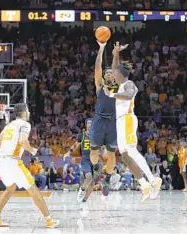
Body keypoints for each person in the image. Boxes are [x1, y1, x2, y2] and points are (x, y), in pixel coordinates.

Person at [0, 103, 60, 228]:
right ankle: (49, 220)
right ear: (23, 112)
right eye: (28, 110)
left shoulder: (9, 125)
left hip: (1, 161)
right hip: (13, 161)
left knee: (11, 188)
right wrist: (32, 150)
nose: (29, 113)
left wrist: (5, 153)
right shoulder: (25, 124)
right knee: (33, 189)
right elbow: (22, 141)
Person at [104, 53, 162, 202]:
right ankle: (144, 184)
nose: (113, 72)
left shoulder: (129, 84)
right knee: (125, 156)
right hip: (120, 122)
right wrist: (115, 53)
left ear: (120, 74)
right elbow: (114, 66)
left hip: (127, 119)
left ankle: (153, 180)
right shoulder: (118, 85)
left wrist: (113, 95)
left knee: (131, 151)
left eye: (115, 72)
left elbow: (129, 95)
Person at [89, 41, 126, 196]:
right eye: (107, 73)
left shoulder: (118, 86)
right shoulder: (100, 86)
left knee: (111, 154)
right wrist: (101, 49)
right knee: (94, 152)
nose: (109, 73)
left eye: (111, 72)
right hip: (99, 120)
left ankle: (107, 178)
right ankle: (97, 170)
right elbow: (97, 68)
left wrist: (116, 53)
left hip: (113, 121)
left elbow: (117, 68)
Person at [64, 119, 95, 203]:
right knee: (89, 176)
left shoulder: (97, 135)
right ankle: (82, 190)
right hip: (85, 159)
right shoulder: (82, 135)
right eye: (88, 123)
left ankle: (84, 200)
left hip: (94, 160)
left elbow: (101, 147)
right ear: (86, 125)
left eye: (91, 123)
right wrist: (68, 153)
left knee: (92, 184)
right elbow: (75, 145)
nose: (90, 125)